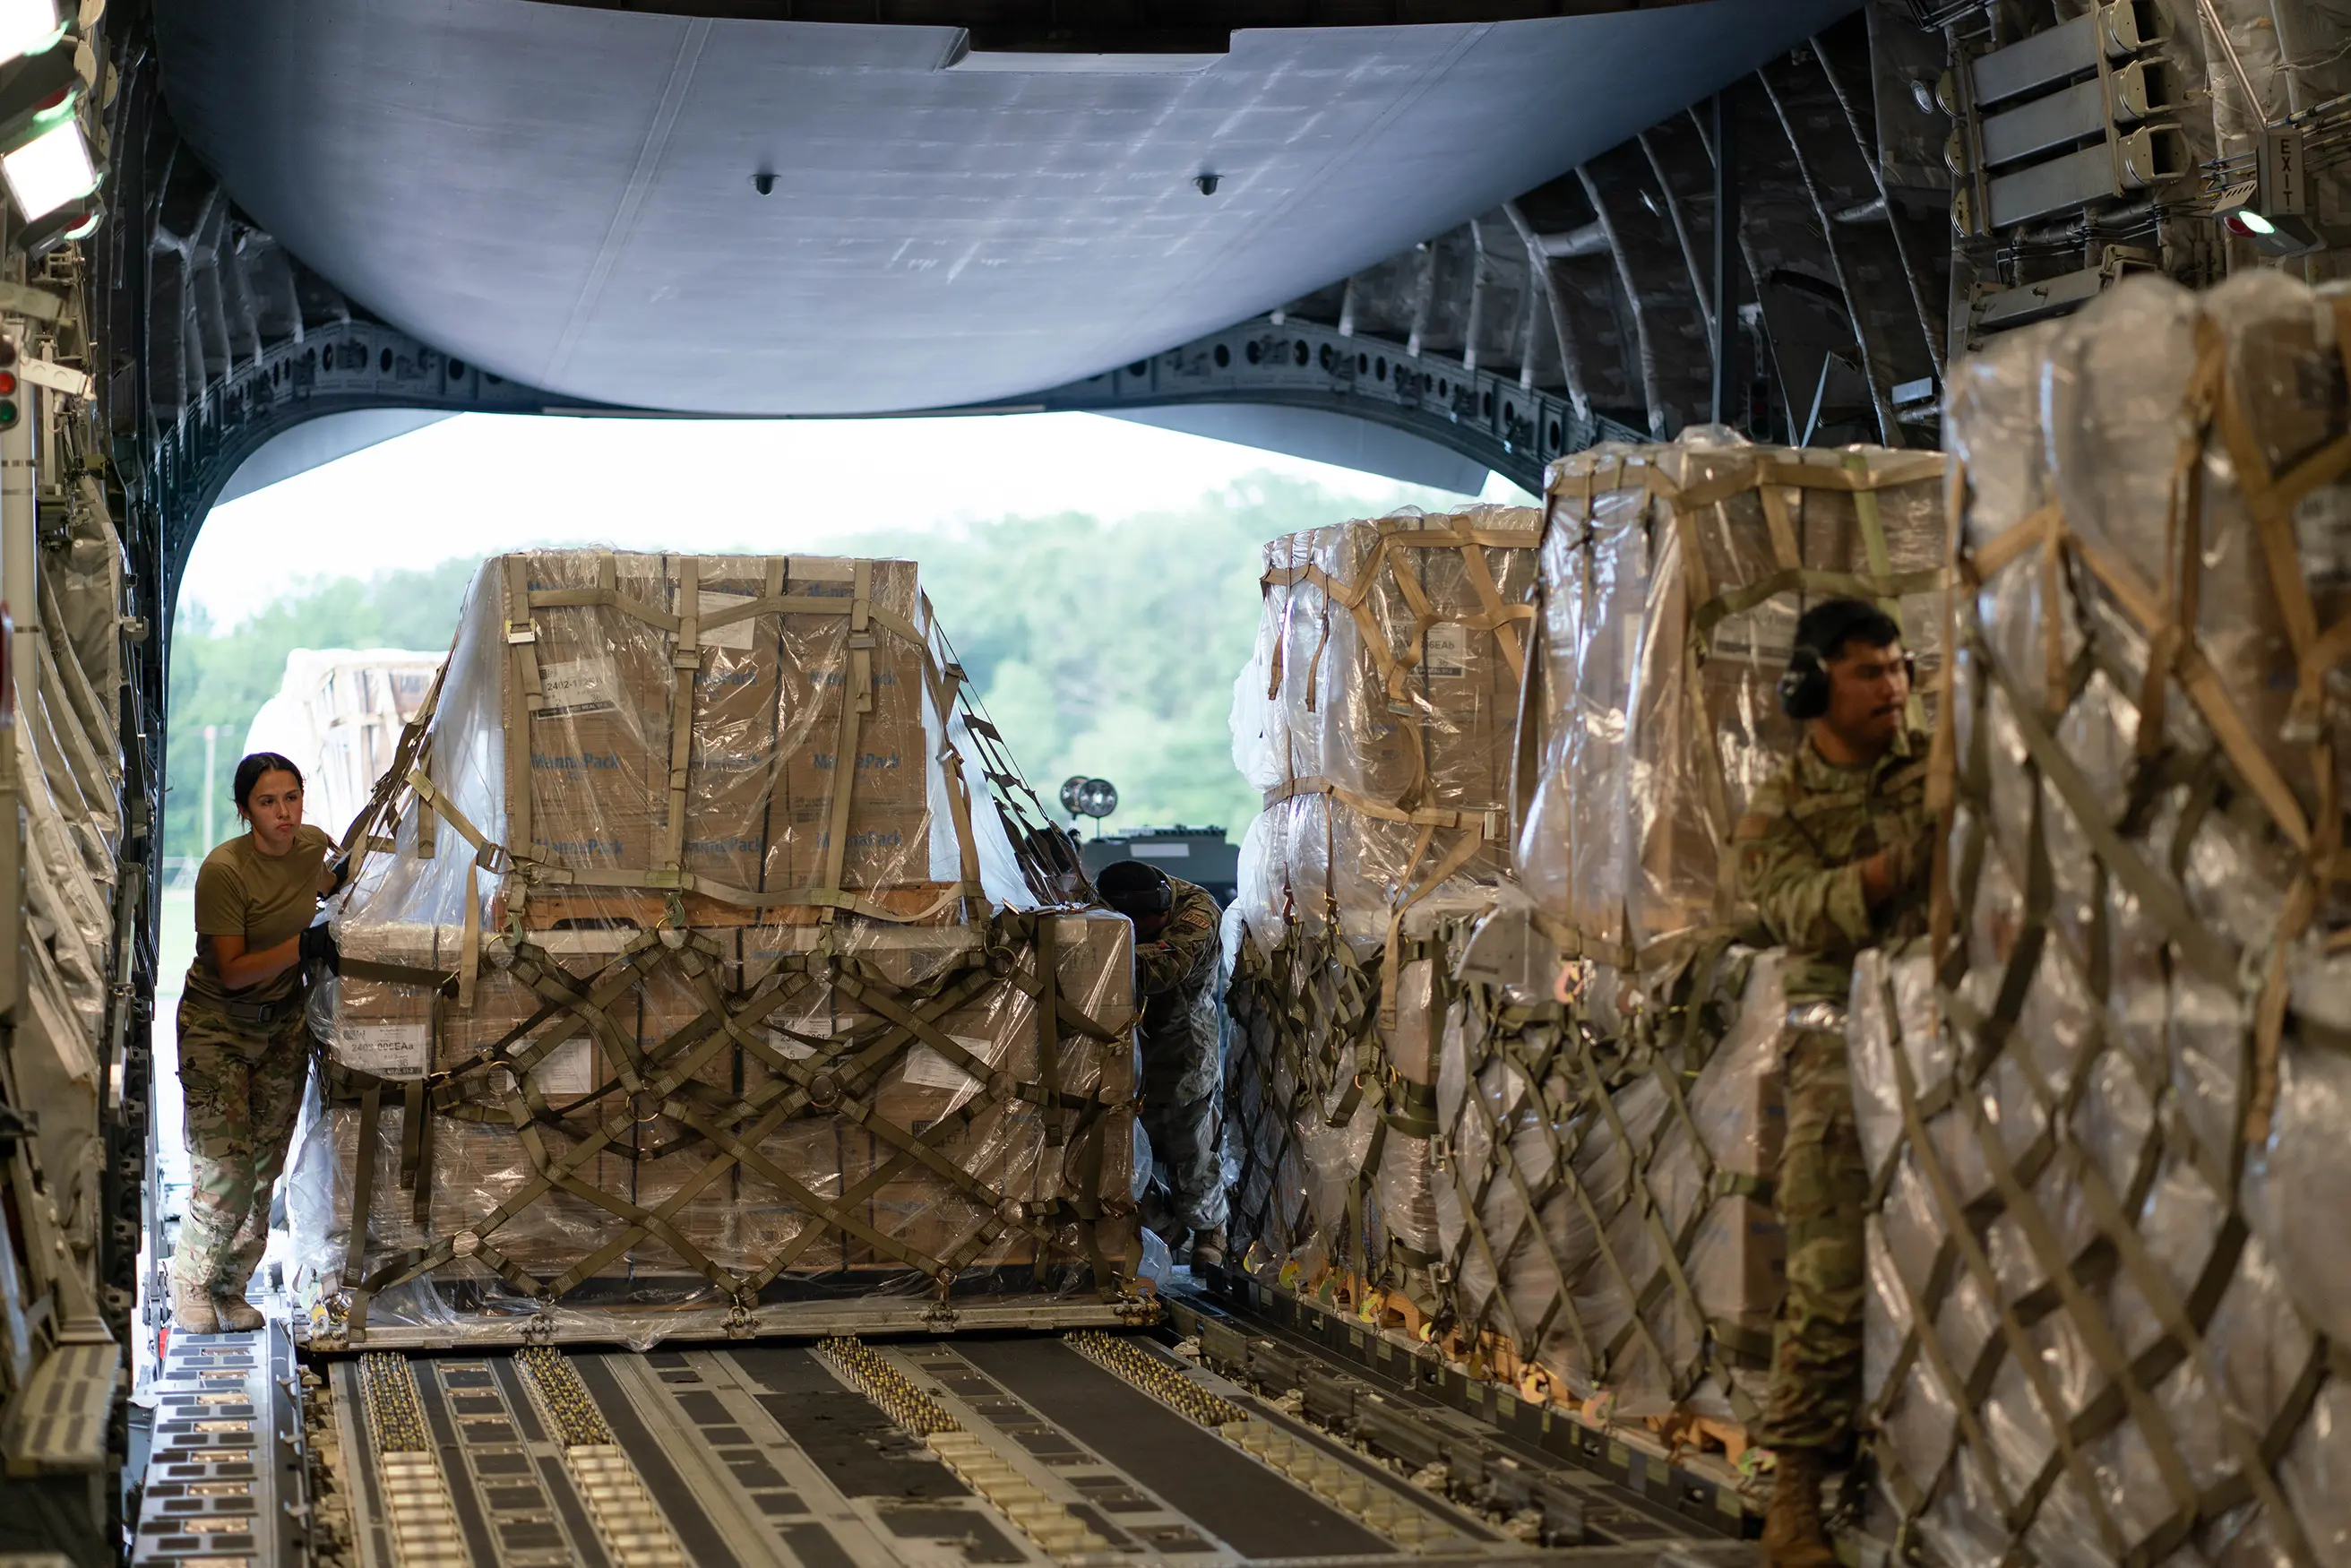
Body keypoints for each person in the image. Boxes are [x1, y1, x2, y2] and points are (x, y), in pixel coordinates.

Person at [1734, 599, 1933, 1568]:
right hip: (1837, 1039)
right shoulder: (1781, 807)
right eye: (1868, 672)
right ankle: (1795, 1492)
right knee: (1826, 1264)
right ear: (1811, 686)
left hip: (1949, 1023)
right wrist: (1886, 873)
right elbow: (1785, 908)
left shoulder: (1938, 773)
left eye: (1899, 668)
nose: (1892, 687)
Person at [174, 752, 343, 1333]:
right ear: (245, 810)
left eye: (291, 797)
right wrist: (306, 946)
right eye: (268, 802)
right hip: (218, 1026)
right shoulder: (224, 872)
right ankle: (190, 1281)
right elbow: (233, 970)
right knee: (227, 1168)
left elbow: (330, 880)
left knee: (265, 1168)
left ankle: (230, 1287)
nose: (283, 812)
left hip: (282, 1028)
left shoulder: (312, 844)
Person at [1096, 859, 1227, 1271]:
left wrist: (1098, 945)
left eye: (1158, 922)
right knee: (1125, 1155)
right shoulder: (1101, 904)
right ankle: (1168, 1230)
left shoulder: (1197, 909)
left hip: (1182, 1049)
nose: (1161, 924)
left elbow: (1165, 966)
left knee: (1190, 1149)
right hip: (1122, 1046)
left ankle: (1210, 1232)